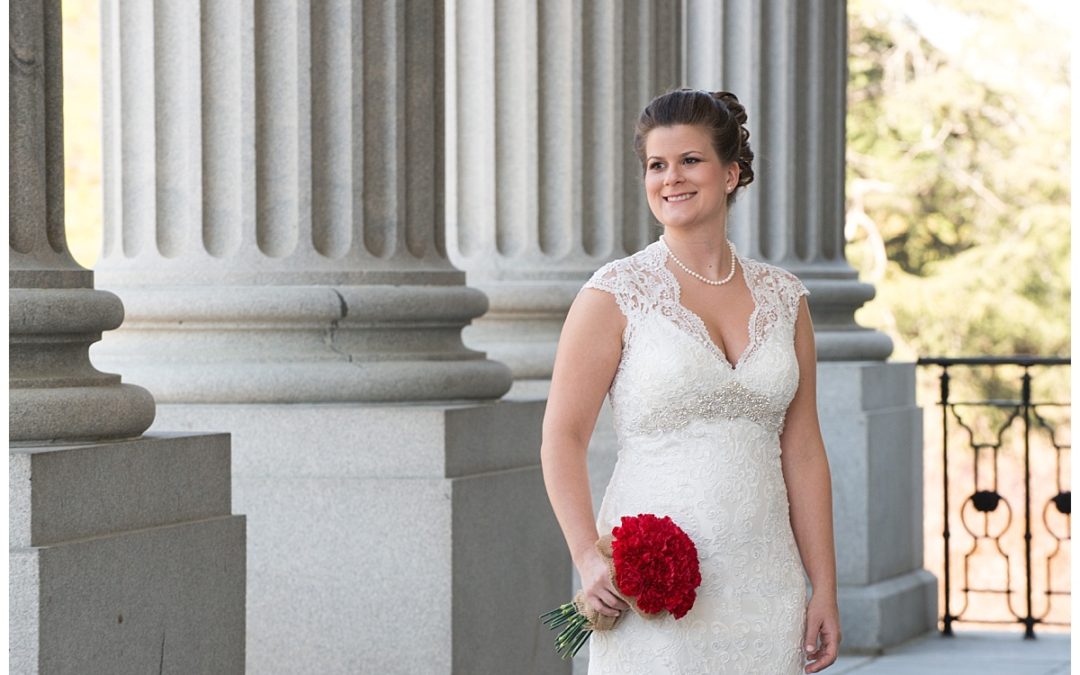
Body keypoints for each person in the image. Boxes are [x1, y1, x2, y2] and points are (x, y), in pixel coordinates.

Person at [540, 89, 841, 673]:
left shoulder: (785, 297)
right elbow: (561, 438)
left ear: (730, 174)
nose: (670, 178)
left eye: (690, 161)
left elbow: (803, 450)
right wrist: (587, 556)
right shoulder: (616, 292)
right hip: (656, 589)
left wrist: (823, 585)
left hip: (765, 582)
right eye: (657, 165)